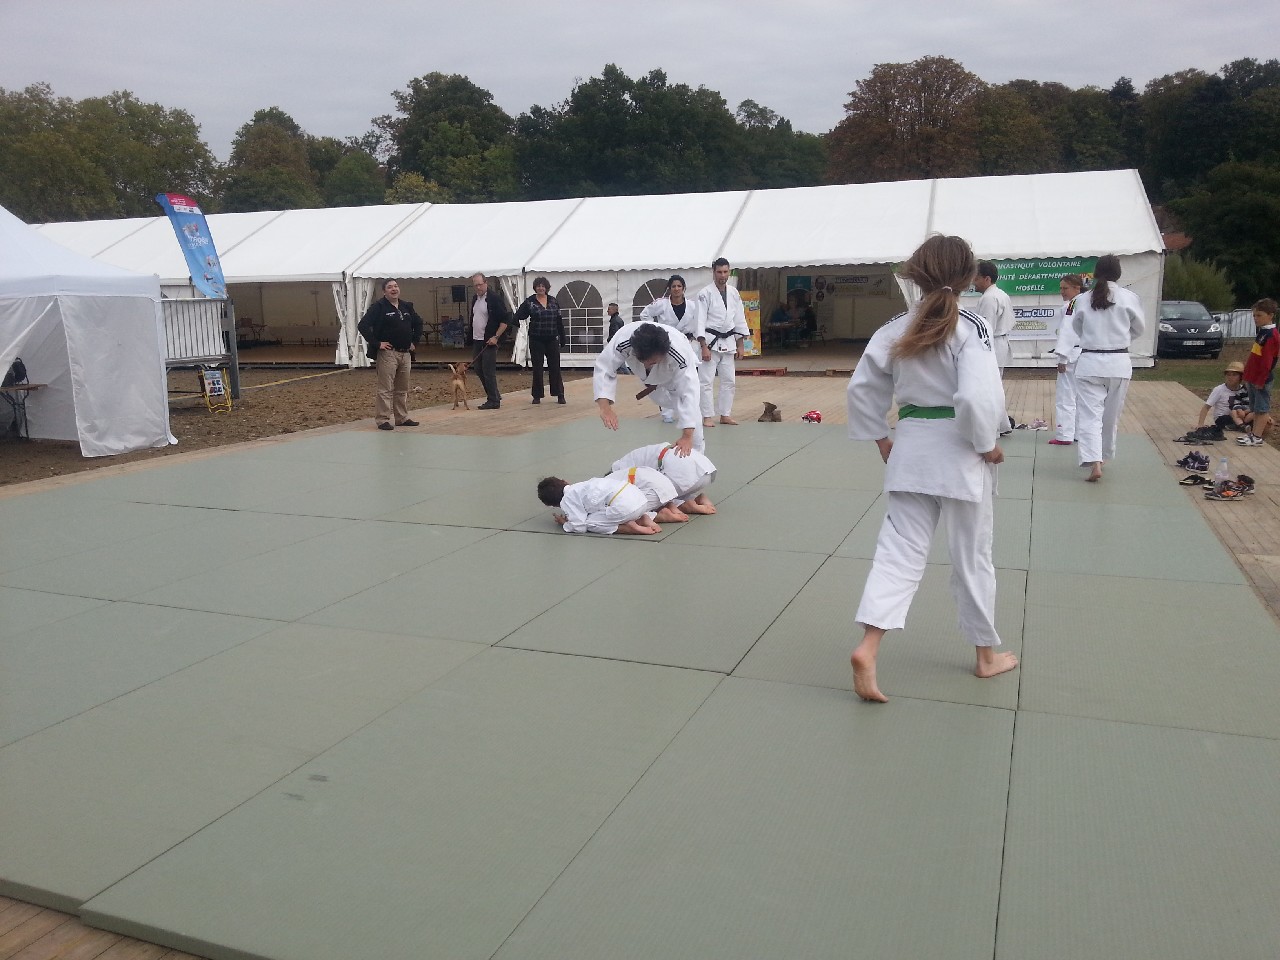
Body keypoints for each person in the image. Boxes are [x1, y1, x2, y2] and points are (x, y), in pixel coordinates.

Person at [846, 234, 1015, 703]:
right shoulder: (971, 326)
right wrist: (986, 444)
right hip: (961, 453)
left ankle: (868, 646)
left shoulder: (893, 328)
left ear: (916, 274)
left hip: (911, 449)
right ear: (967, 276)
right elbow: (976, 397)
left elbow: (862, 389)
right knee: (972, 556)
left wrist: (880, 436)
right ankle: (985, 657)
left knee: (898, 553)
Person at [1071, 255, 1146, 482]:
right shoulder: (1129, 298)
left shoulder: (1082, 299)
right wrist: (1120, 338)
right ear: (1118, 274)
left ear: (1095, 273)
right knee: (1110, 416)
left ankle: (1094, 460)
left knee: (1089, 416)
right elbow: (1139, 328)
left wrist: (1094, 339)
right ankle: (1103, 456)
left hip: (1090, 362)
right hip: (1118, 362)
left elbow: (1077, 327)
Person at [594, 321, 702, 455]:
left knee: (691, 414)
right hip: (650, 382)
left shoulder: (679, 353)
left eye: (652, 362)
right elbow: (605, 368)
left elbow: (689, 392)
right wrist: (605, 408)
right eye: (642, 361)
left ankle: (698, 455)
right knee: (662, 400)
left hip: (672, 377)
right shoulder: (623, 340)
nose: (646, 365)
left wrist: (687, 436)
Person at [357, 278, 423, 430]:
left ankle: (402, 418)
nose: (394, 289)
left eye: (396, 286)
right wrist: (377, 343)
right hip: (388, 354)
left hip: (405, 354)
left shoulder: (406, 306)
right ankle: (382, 419)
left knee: (402, 388)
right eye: (390, 287)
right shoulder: (379, 307)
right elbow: (363, 325)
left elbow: (418, 323)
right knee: (385, 388)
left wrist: (414, 341)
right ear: (384, 291)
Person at [695, 258, 749, 427]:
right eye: (719, 272)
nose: (722, 275)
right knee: (706, 381)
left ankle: (725, 414)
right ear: (713, 272)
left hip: (729, 342)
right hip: (710, 343)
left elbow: (739, 319)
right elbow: (699, 321)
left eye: (725, 272)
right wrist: (703, 346)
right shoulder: (704, 293)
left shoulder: (734, 293)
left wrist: (740, 344)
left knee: (729, 381)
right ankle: (707, 416)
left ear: (729, 272)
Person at [640, 276, 702, 422]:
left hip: (686, 343)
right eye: (673, 286)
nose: (676, 289)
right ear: (669, 288)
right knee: (665, 377)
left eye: (679, 286)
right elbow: (645, 314)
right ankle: (667, 413)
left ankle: (687, 410)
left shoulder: (693, 306)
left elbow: (700, 322)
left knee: (687, 377)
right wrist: (655, 331)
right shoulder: (661, 304)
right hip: (667, 343)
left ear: (684, 288)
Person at [537, 472, 666, 535]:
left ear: (554, 504)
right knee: (602, 509)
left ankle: (633, 528)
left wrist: (565, 523)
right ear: (565, 481)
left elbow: (579, 527)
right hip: (640, 498)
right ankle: (643, 517)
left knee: (588, 522)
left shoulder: (567, 499)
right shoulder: (582, 486)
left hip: (626, 507)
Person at [610, 442, 718, 514]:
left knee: (636, 504)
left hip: (683, 473)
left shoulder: (619, 474)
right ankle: (693, 499)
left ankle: (681, 505)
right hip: (705, 470)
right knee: (661, 486)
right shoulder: (631, 458)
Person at [974, 260, 1015, 433]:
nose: (973, 282)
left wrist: (979, 352)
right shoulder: (1000, 294)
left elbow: (986, 328)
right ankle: (1002, 424)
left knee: (989, 388)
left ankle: (994, 427)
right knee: (994, 387)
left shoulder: (989, 298)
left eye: (976, 278)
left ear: (987, 279)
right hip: (998, 343)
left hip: (991, 344)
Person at [513, 277, 566, 405]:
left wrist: (562, 336)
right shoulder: (530, 302)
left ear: (546, 287)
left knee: (555, 367)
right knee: (537, 368)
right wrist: (516, 323)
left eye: (543, 286)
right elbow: (519, 315)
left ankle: (559, 394)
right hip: (536, 339)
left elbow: (559, 320)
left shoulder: (553, 301)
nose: (541, 288)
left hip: (552, 338)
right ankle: (537, 395)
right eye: (538, 286)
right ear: (535, 288)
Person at [1048, 274, 1085, 445]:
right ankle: (1078, 433)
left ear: (1077, 288)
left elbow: (1067, 332)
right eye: (1061, 288)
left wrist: (1062, 358)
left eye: (1065, 288)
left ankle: (1064, 434)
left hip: (1071, 355)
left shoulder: (1073, 305)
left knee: (1066, 396)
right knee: (1080, 396)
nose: (1062, 291)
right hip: (1084, 354)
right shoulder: (1087, 302)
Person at [1237, 298, 1278, 448]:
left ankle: (1257, 437)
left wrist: (1261, 379)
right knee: (1255, 408)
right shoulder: (1262, 332)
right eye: (1254, 315)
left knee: (1262, 409)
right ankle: (1253, 434)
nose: (1255, 318)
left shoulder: (1271, 335)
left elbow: (1267, 362)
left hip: (1262, 379)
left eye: (1259, 315)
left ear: (1270, 315)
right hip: (1253, 377)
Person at [469, 272, 513, 410]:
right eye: (475, 285)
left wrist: (496, 336)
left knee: (488, 370)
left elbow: (506, 319)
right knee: (478, 368)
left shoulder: (494, 299)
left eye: (480, 285)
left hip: (490, 340)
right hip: (477, 339)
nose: (478, 288)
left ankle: (493, 400)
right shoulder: (475, 298)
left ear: (486, 283)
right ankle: (494, 394)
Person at [1197, 361, 1251, 433]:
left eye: (1234, 375)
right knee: (1231, 417)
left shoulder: (1243, 390)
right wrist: (1200, 424)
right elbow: (1206, 407)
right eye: (1228, 375)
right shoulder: (1219, 389)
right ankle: (1240, 426)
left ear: (1241, 377)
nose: (1230, 377)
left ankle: (1242, 427)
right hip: (1222, 417)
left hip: (1240, 415)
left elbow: (1249, 404)